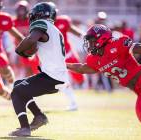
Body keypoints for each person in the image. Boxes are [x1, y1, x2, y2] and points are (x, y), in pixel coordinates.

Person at [67, 24, 141, 125]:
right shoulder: (93, 59)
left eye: (91, 40)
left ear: (102, 39)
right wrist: (64, 65)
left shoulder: (117, 43)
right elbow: (82, 68)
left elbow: (137, 47)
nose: (89, 44)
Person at [9, 2, 70, 136]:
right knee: (18, 84)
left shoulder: (41, 23)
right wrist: (28, 52)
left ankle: (25, 129)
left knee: (16, 92)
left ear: (39, 14)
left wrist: (19, 50)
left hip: (52, 76)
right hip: (55, 76)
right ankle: (39, 116)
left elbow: (31, 39)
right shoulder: (54, 29)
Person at [55, 15, 85, 110]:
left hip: (68, 53)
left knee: (80, 77)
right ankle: (73, 103)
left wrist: (85, 36)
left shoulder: (63, 21)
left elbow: (73, 30)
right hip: (56, 57)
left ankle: (83, 91)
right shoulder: (41, 25)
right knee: (63, 80)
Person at [13, 0, 40, 77]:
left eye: (23, 10)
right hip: (20, 49)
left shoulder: (32, 21)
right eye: (19, 10)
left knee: (35, 69)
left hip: (32, 48)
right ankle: (24, 84)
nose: (21, 12)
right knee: (26, 68)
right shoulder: (13, 21)